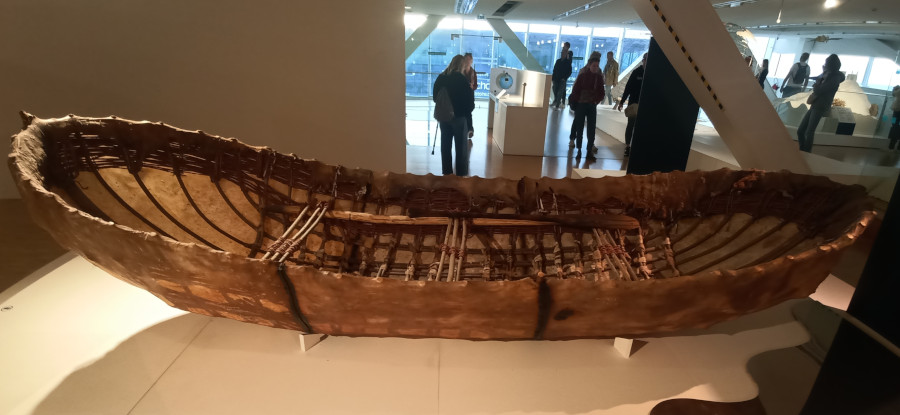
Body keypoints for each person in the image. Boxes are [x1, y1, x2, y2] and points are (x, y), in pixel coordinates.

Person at [433, 55, 475, 175]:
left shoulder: (441, 77)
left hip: (444, 117)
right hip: (459, 118)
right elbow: (470, 104)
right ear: (462, 66)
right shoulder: (462, 79)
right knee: (461, 148)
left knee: (445, 145)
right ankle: (460, 175)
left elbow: (435, 97)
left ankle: (447, 173)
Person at [797, 54, 844, 153]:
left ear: (830, 65)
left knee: (809, 131)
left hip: (821, 105)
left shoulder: (834, 78)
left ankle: (806, 152)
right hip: (816, 104)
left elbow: (819, 90)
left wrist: (817, 84)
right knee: (801, 130)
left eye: (826, 63)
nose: (824, 65)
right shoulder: (828, 75)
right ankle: (803, 150)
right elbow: (820, 85)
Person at [569, 56, 605, 161]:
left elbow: (601, 92)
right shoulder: (582, 76)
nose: (595, 68)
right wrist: (579, 101)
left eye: (597, 66)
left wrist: (596, 101)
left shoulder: (599, 78)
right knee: (579, 128)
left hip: (591, 105)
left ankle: (589, 150)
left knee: (591, 128)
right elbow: (575, 91)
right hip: (582, 105)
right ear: (589, 65)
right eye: (594, 66)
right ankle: (579, 150)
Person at [616, 53, 647, 157]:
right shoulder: (636, 72)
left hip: (645, 105)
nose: (647, 62)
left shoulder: (652, 73)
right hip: (634, 104)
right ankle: (628, 146)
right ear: (643, 60)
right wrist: (622, 102)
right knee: (631, 125)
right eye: (645, 60)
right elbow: (628, 88)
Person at [463, 53, 477, 139]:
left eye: (469, 59)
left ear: (471, 61)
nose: (468, 61)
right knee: (466, 113)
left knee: (468, 112)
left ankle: (469, 129)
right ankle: (469, 129)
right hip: (462, 95)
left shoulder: (473, 72)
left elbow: (475, 85)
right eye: (466, 59)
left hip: (470, 95)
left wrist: (472, 87)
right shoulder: (461, 71)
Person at [888, 85, 899, 150]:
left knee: (894, 125)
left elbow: (894, 94)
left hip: (897, 111)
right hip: (897, 111)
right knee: (895, 126)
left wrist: (895, 89)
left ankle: (891, 146)